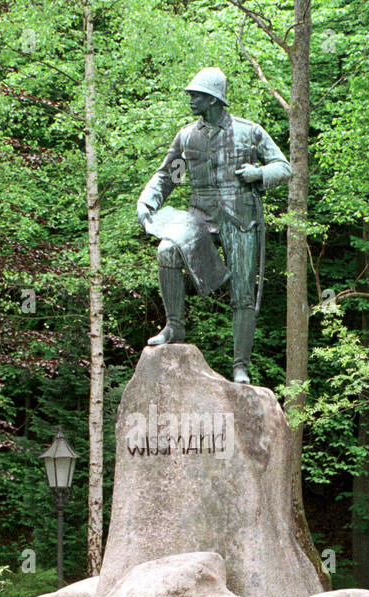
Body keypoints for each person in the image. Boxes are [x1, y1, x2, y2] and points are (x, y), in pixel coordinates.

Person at [136, 67, 289, 384]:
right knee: (167, 252)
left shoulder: (250, 132)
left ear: (213, 98)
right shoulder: (188, 136)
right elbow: (168, 176)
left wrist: (259, 174)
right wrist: (148, 200)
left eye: (196, 95)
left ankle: (240, 366)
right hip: (200, 214)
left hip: (239, 215)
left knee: (243, 292)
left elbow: (284, 168)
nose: (190, 99)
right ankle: (175, 325)